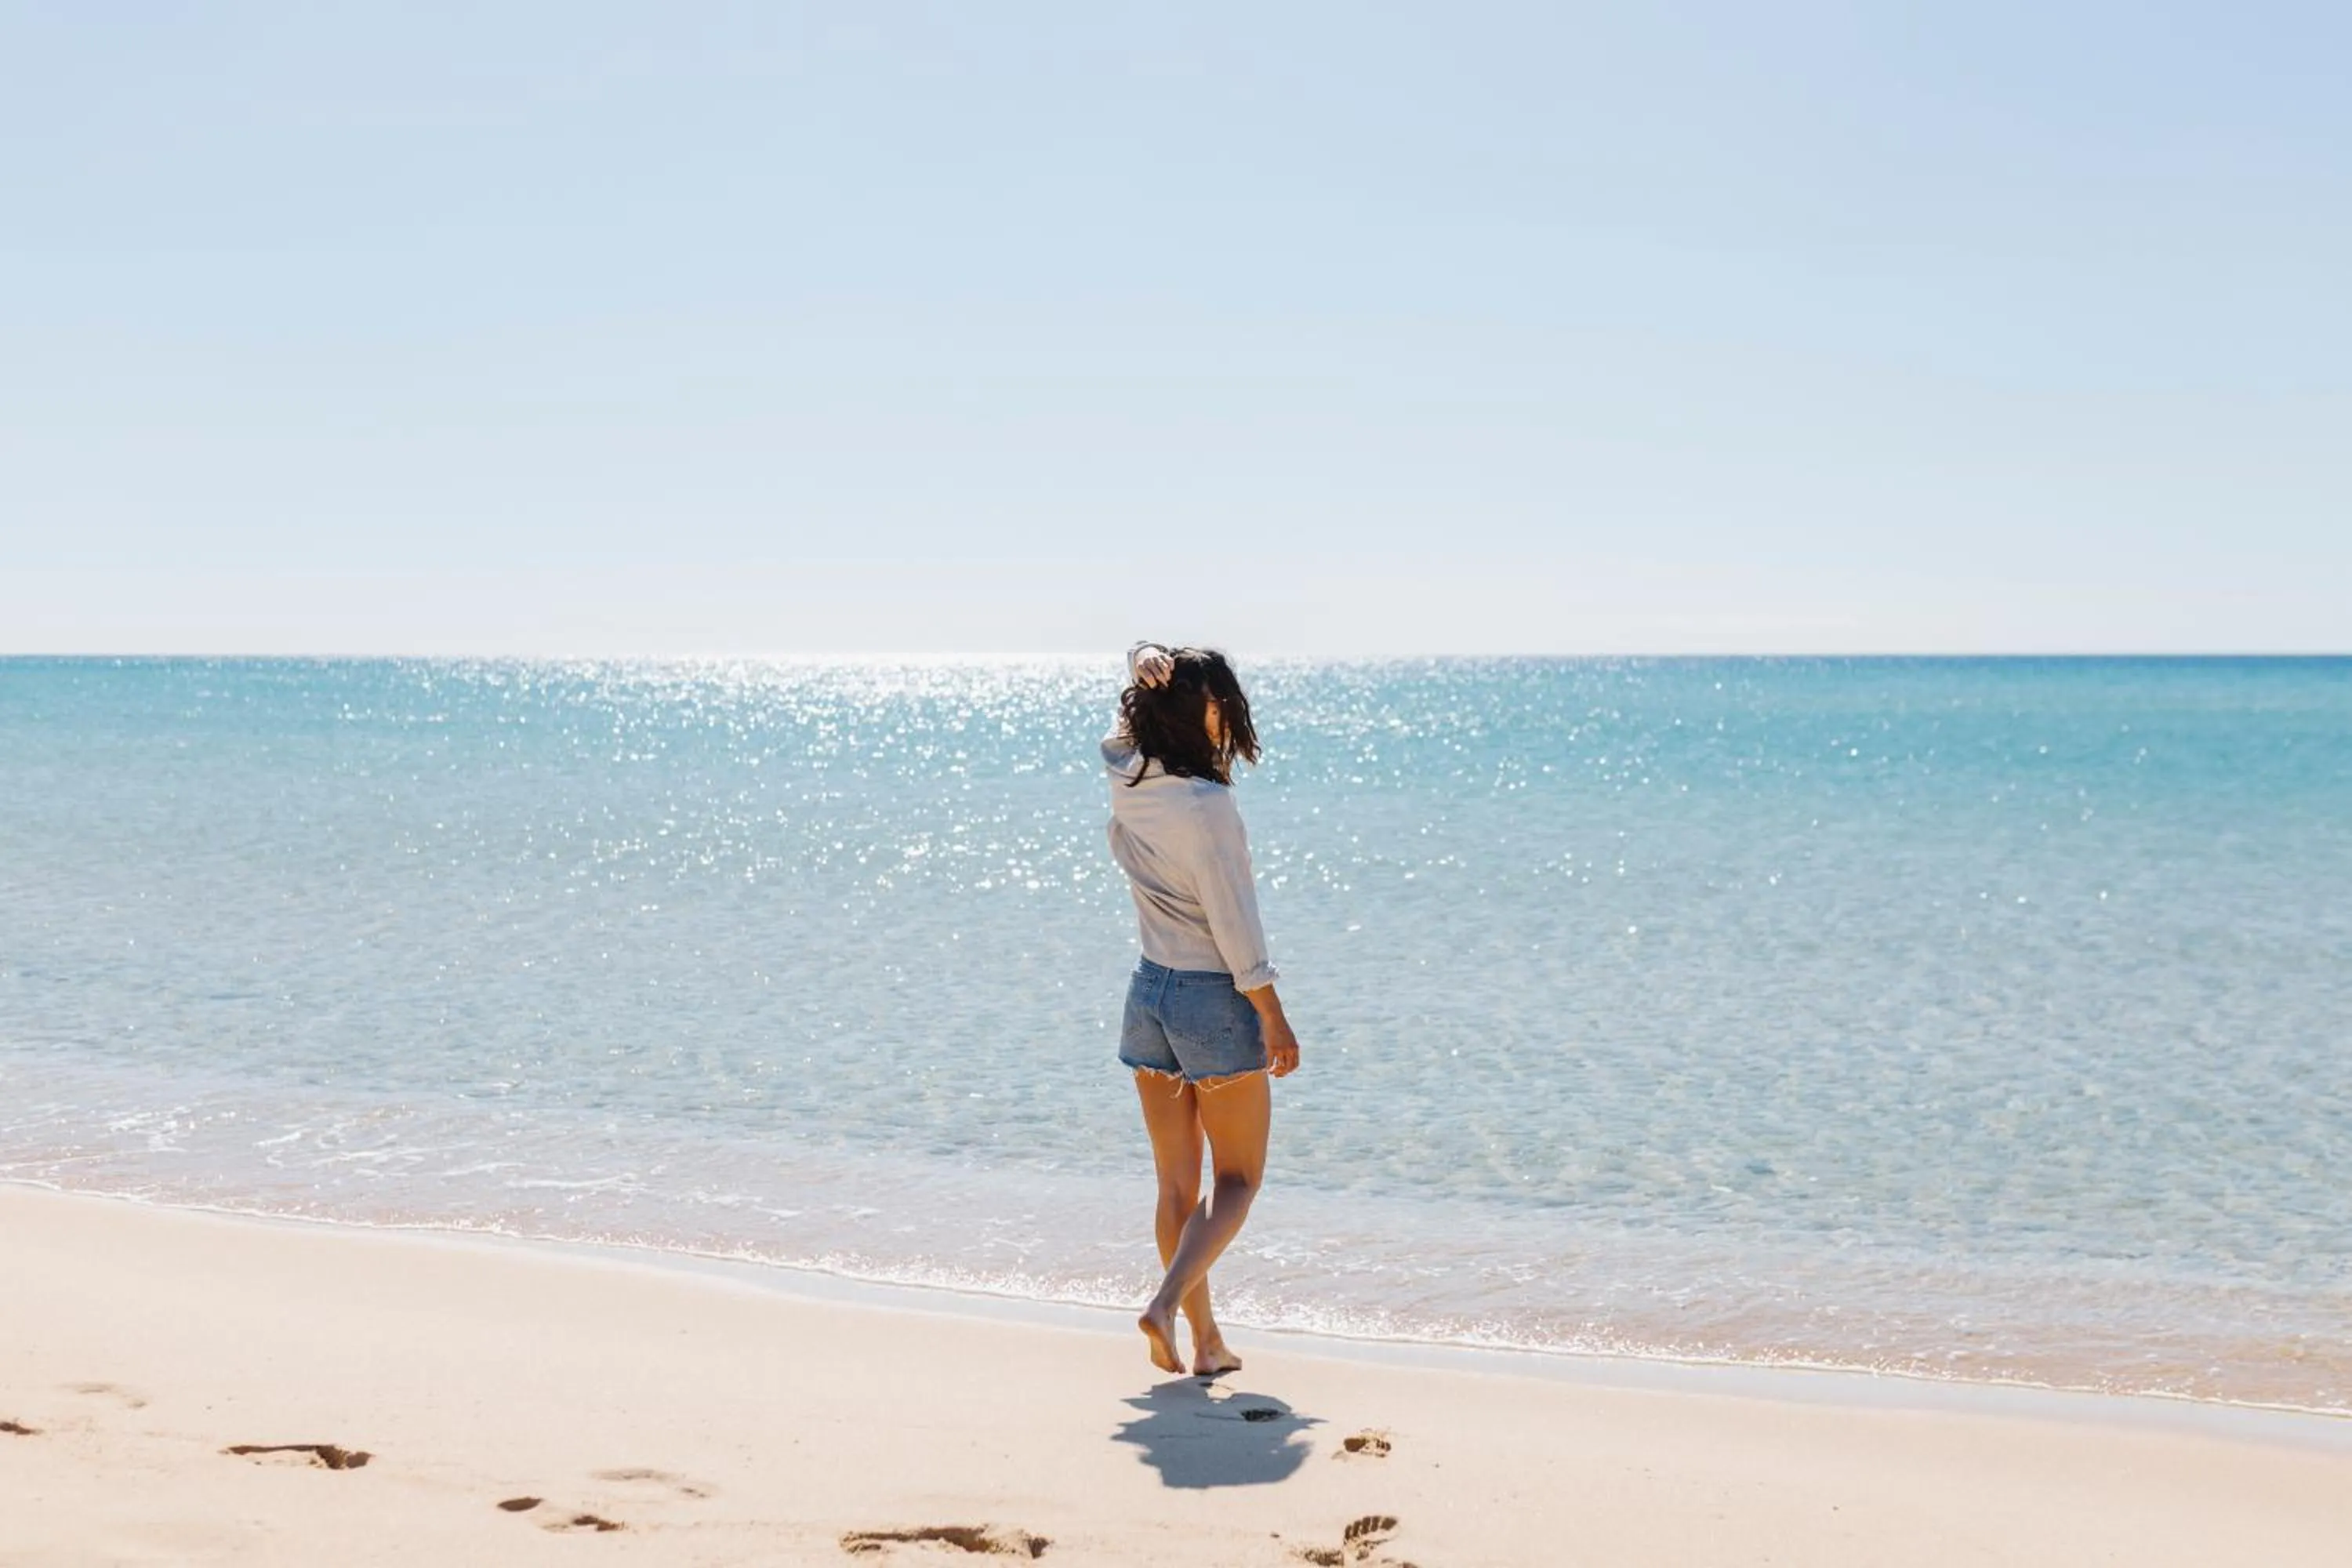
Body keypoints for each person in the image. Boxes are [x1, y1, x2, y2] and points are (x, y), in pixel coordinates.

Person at [1103, 641, 1301, 1376]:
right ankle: (1163, 1307)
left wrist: (1143, 661)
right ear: (1206, 708)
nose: (1230, 714)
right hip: (1210, 998)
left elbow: (1117, 736)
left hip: (1148, 991)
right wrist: (1273, 1014)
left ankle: (1208, 1342)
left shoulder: (1132, 777)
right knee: (1240, 1181)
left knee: (1177, 1187)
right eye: (1222, 701)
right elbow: (1235, 924)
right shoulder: (1208, 806)